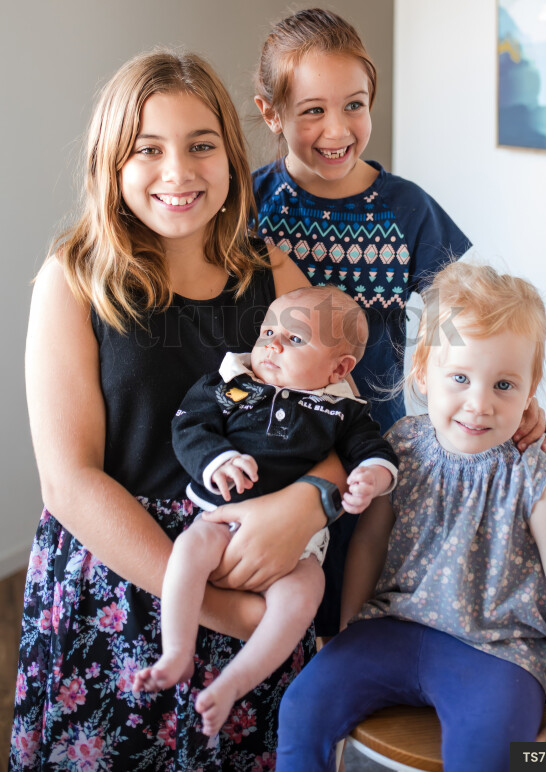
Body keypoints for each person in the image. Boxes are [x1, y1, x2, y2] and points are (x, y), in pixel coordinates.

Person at [10, 49, 351, 771]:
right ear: (111, 163)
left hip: (257, 570)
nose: (178, 171)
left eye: (201, 145)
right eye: (148, 149)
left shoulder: (273, 272)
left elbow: (335, 422)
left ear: (231, 157)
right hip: (122, 584)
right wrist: (225, 612)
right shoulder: (74, 279)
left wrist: (308, 504)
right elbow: (70, 483)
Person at [251, 7, 546, 634]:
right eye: (312, 110)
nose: (337, 128)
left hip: (374, 449)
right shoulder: (251, 206)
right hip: (270, 445)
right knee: (273, 610)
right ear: (271, 113)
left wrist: (517, 397)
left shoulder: (406, 210)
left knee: (351, 604)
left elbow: (469, 321)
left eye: (354, 105)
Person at [275, 262, 546, 772]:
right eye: (461, 378)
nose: (479, 404)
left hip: (499, 650)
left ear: (531, 387)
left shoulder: (535, 476)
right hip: (391, 627)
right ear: (424, 372)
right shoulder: (402, 445)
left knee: (490, 752)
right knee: (301, 706)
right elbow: (369, 542)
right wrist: (349, 628)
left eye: (504, 384)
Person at [133, 285, 398, 736]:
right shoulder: (231, 383)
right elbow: (190, 425)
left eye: (295, 339)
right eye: (268, 333)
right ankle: (176, 650)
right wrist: (218, 460)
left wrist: (371, 478)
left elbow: (375, 451)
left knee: (305, 594)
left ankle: (234, 682)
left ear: (339, 368)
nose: (272, 345)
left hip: (301, 546)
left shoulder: (343, 411)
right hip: (223, 517)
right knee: (189, 549)